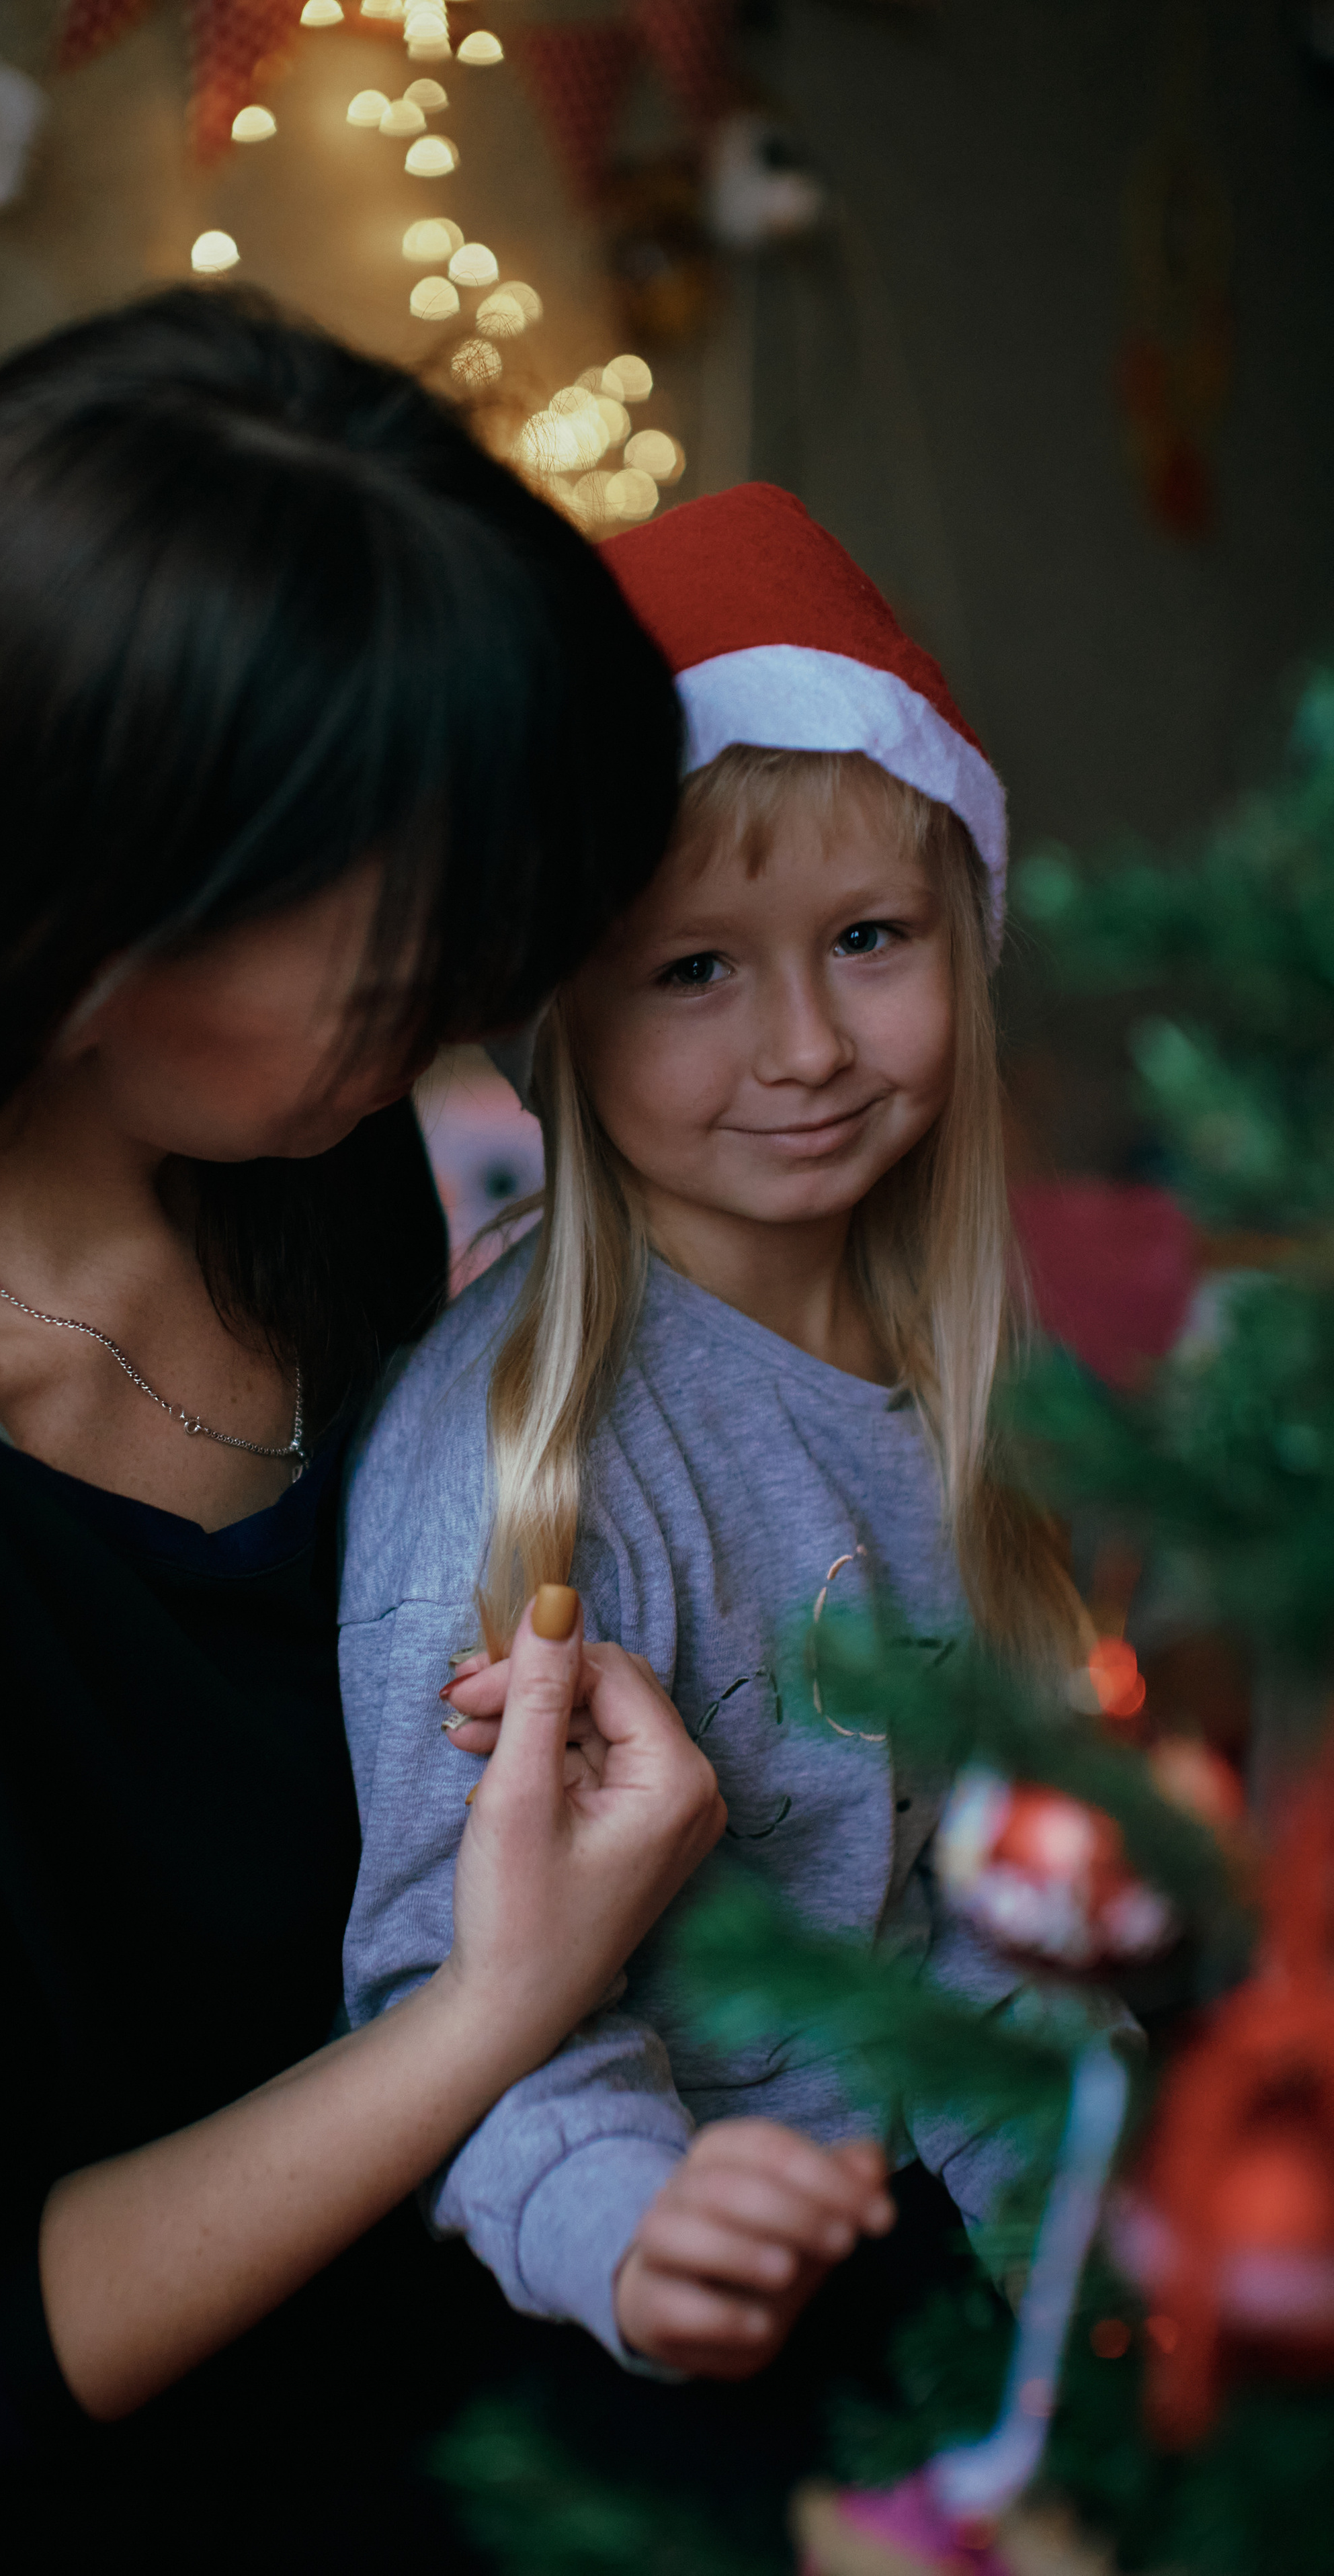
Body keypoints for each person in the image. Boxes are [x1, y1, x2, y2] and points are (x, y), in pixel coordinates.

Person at [0, 287, 728, 2564]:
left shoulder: (272, 1142)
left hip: (455, 2238)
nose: (474, 1000)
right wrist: (494, 2009)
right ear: (89, 929)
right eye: (411, 941)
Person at [340, 484, 1113, 2405]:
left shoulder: (964, 1347)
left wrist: (1077, 2239)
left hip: (989, 2245)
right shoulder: (521, 1464)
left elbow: (989, 1868)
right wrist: (636, 2227)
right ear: (570, 1017)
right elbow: (449, 2006)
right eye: (697, 967)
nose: (806, 1048)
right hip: (659, 2315)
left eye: (868, 938)